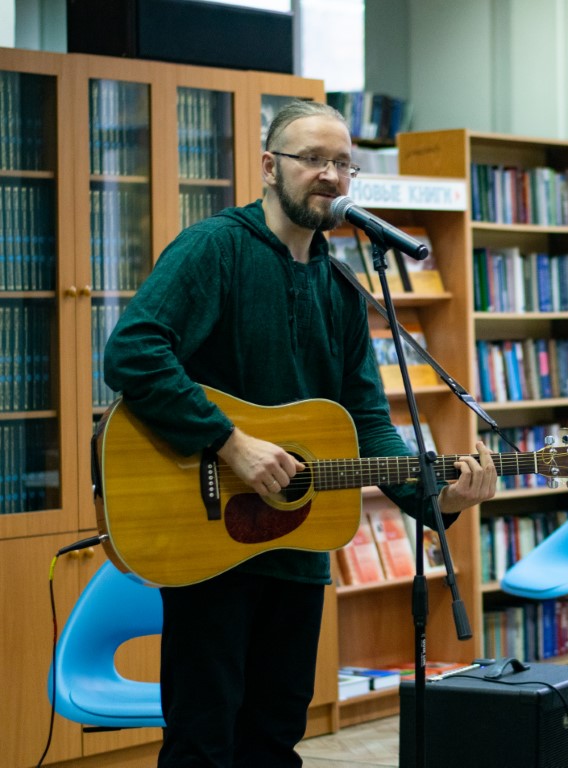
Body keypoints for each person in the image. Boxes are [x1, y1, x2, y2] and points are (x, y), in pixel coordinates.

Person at [103, 100, 497, 767]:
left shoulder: (341, 284)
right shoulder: (215, 248)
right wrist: (230, 441)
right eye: (313, 158)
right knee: (203, 743)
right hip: (207, 537)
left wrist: (436, 499)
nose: (331, 175)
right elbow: (132, 352)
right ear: (269, 167)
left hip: (297, 542)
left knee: (276, 737)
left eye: (343, 163)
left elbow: (367, 420)